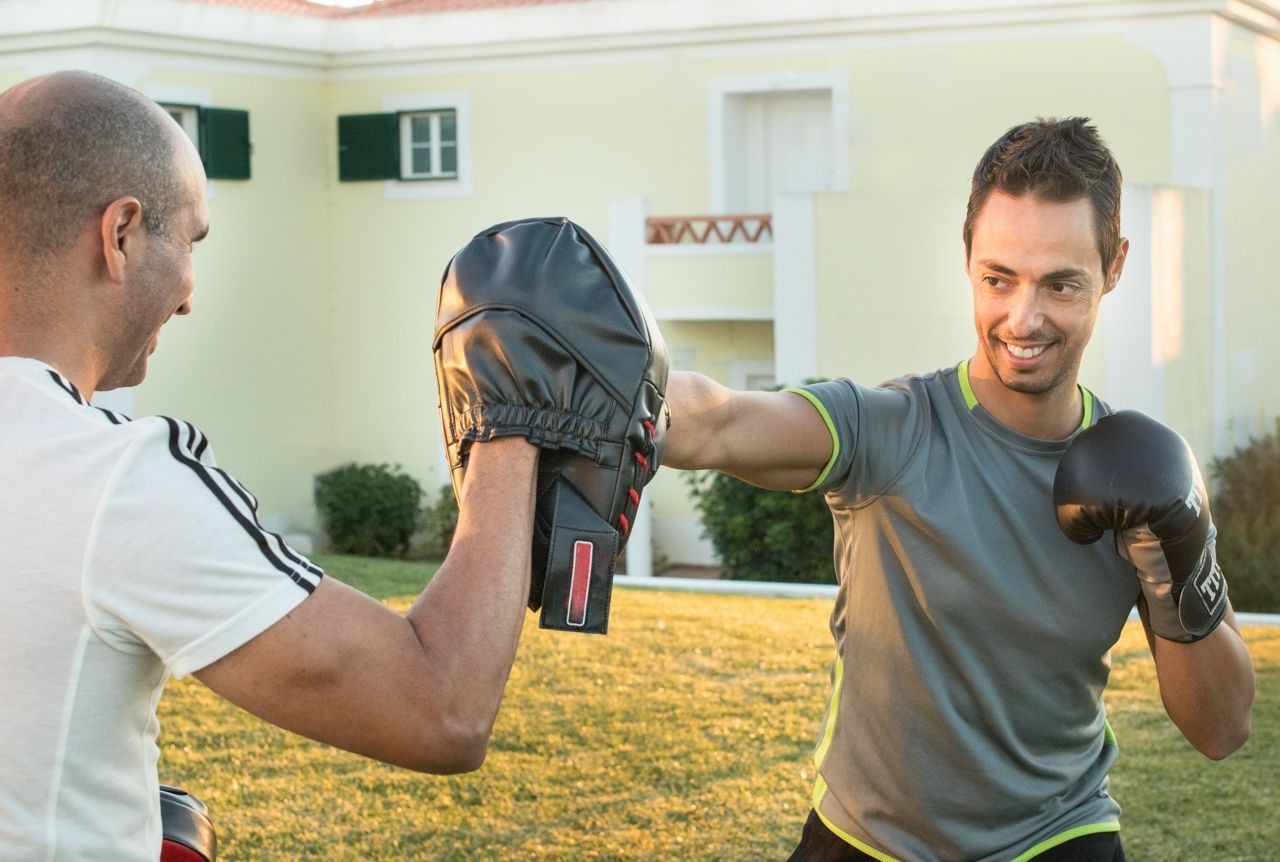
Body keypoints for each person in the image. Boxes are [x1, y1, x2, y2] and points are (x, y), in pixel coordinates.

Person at [662, 117, 1255, 861]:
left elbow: (1222, 728)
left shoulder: (1142, 472)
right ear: (968, 258)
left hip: (1057, 837)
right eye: (998, 279)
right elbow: (718, 421)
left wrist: (1178, 559)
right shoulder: (892, 429)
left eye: (1061, 284)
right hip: (866, 839)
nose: (1023, 319)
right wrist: (615, 382)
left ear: (1114, 266)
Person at [0, 71, 538, 860]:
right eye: (191, 242)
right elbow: (440, 709)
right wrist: (511, 417)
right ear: (120, 235)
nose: (189, 295)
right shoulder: (110, 480)